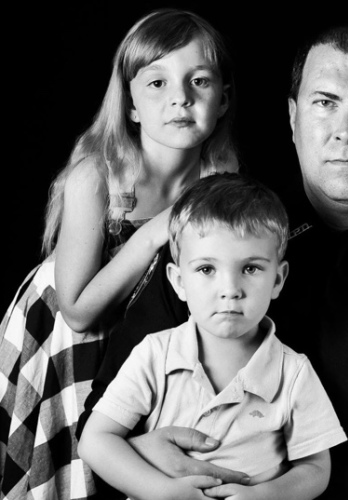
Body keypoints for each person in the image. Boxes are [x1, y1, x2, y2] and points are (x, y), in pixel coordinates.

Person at [80, 25, 348, 500]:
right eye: (325, 102)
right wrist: (142, 456)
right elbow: (101, 423)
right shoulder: (215, 242)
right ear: (292, 118)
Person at [0, 8, 238, 500]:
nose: (180, 97)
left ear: (223, 100)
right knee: (73, 466)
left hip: (141, 342)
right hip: (68, 335)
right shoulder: (97, 177)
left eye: (199, 81)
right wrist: (157, 230)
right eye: (157, 83)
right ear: (131, 105)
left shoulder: (220, 185)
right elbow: (78, 311)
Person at [78, 172, 347, 500]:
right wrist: (165, 492)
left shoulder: (293, 372)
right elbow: (95, 440)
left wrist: (264, 496)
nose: (230, 290)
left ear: (278, 280)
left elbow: (316, 468)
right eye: (206, 269)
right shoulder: (155, 354)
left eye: (250, 268)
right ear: (179, 281)